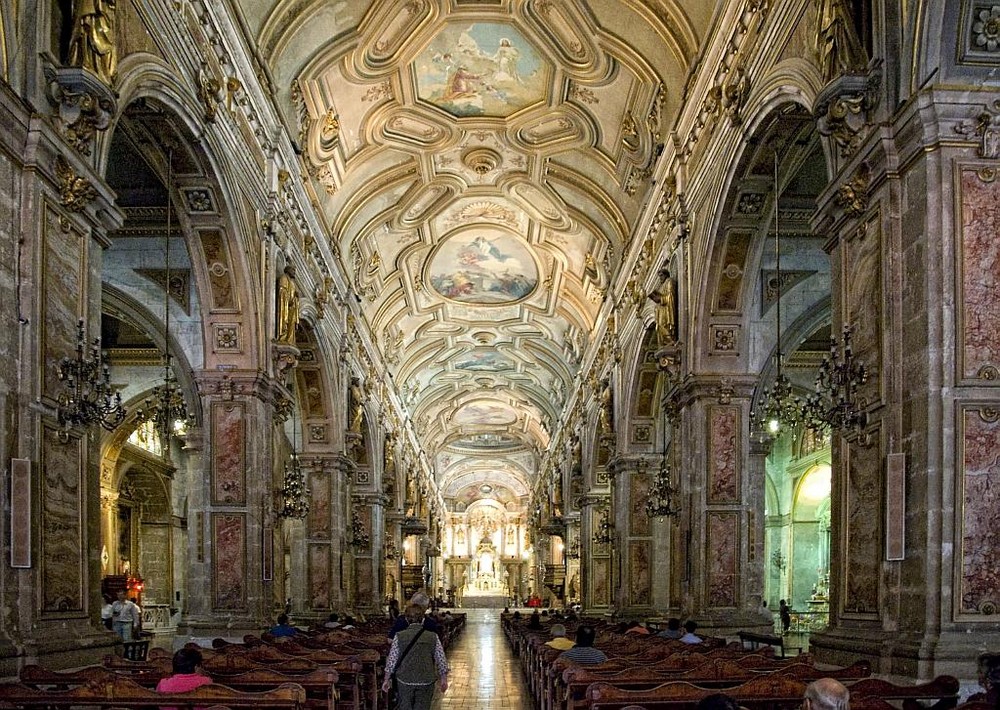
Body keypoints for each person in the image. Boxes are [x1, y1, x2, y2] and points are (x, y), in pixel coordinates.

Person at [380, 603, 449, 710]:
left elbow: (391, 660)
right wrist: (444, 679)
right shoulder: (433, 637)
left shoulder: (399, 636)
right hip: (426, 679)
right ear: (423, 620)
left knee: (405, 707)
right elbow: (441, 659)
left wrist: (386, 679)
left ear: (407, 620)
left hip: (404, 679)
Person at [67, 0, 118, 84]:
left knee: (100, 31)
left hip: (102, 8)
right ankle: (84, 59)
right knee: (87, 26)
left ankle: (100, 69)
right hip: (90, 5)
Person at [648, 268, 678, 346]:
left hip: (666, 311)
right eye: (659, 276)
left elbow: (671, 296)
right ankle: (666, 344)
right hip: (660, 312)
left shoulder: (669, 281)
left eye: (661, 275)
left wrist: (661, 299)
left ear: (666, 275)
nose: (660, 278)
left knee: (665, 327)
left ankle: (670, 342)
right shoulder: (661, 287)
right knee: (659, 328)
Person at [275, 264, 299, 345]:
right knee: (286, 322)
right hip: (286, 306)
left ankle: (289, 339)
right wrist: (288, 300)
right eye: (293, 270)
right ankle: (284, 337)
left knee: (291, 323)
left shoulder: (292, 283)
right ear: (288, 270)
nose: (294, 273)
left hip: (291, 307)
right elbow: (282, 291)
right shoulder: (284, 278)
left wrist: (295, 297)